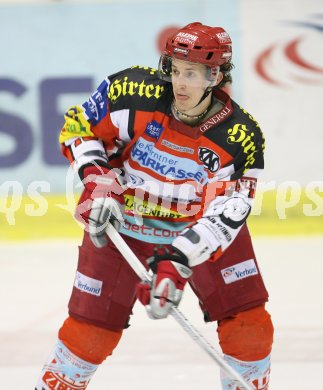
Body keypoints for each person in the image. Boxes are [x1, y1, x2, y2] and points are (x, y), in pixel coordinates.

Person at [36, 22, 274, 390]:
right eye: (176, 70)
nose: (180, 83)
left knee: (249, 328)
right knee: (89, 334)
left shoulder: (241, 137)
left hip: (195, 231)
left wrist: (178, 259)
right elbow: (77, 128)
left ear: (216, 76)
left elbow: (227, 214)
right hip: (122, 225)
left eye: (191, 74)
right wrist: (99, 183)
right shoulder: (131, 90)